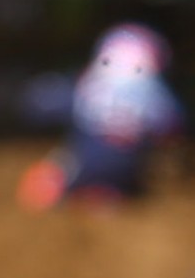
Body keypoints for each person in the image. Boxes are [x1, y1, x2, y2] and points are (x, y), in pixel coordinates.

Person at [19, 24, 186, 209]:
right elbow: (173, 127)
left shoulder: (88, 81)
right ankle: (112, 191)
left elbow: (43, 106)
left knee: (63, 159)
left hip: (87, 161)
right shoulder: (156, 90)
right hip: (128, 168)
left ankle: (54, 187)